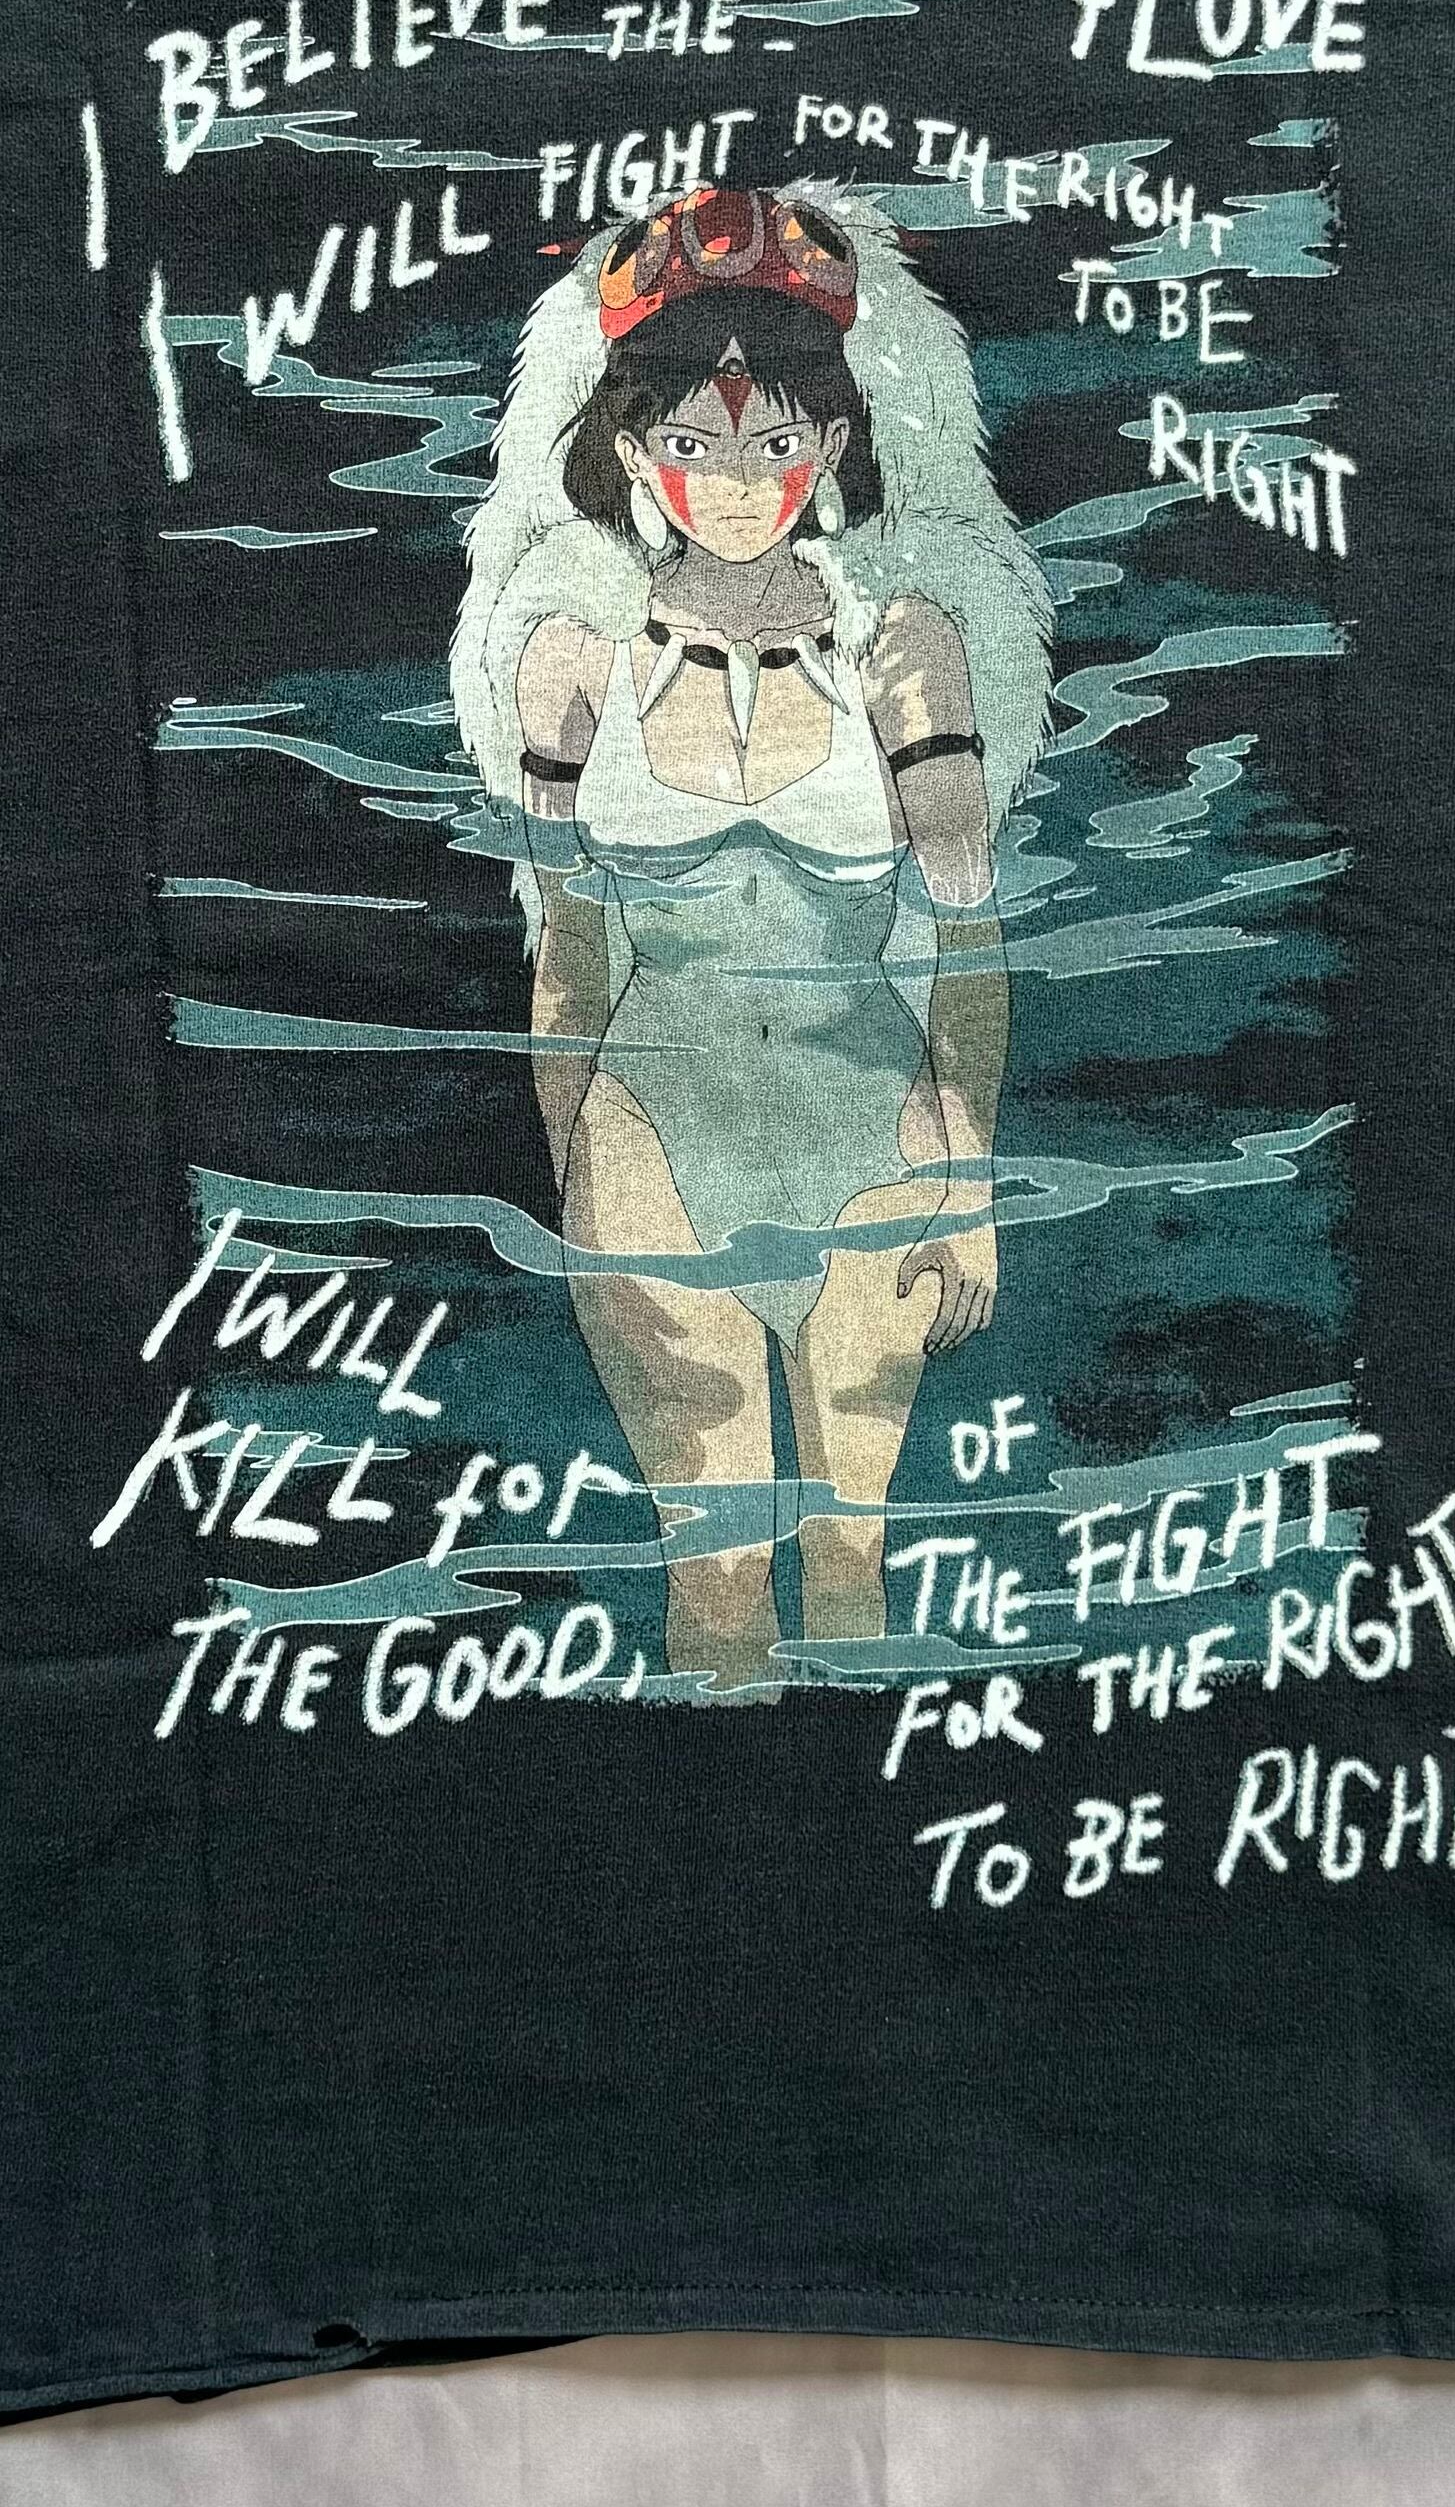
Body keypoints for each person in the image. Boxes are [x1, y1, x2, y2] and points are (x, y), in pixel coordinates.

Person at [449, 185, 1055, 1686]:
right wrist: (572, 1164)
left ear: (834, 445)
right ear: (631, 449)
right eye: (695, 442)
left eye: (777, 444)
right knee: (713, 1589)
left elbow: (966, 932)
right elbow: (566, 948)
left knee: (854, 1571)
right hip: (650, 1153)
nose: (736, 480)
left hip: (876, 1138)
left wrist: (970, 1174)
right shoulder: (572, 661)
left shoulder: (907, 649)